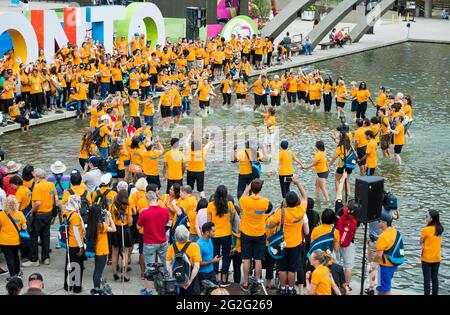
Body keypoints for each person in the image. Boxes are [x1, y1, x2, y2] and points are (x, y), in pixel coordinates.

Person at [266, 176, 307, 295]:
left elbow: (269, 225)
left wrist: (272, 215)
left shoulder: (281, 212)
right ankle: (290, 289)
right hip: (295, 244)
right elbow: (305, 197)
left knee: (282, 268)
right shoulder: (301, 211)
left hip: (282, 244)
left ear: (286, 202)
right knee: (292, 268)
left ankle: (282, 288)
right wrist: (297, 183)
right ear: (296, 202)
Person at [239, 179, 272, 292]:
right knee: (258, 259)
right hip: (259, 233)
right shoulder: (265, 202)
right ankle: (257, 281)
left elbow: (242, 197)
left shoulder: (245, 201)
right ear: (260, 189)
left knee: (246, 259)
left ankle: (245, 282)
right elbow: (267, 210)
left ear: (251, 189)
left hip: (246, 233)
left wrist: (247, 189)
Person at [136, 190, 169, 295]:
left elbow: (138, 226)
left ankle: (149, 290)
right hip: (163, 241)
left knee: (150, 267)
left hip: (149, 242)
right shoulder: (164, 211)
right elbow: (167, 221)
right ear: (156, 198)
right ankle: (168, 285)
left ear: (147, 199)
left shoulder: (144, 212)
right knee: (166, 264)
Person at [22, 168, 57, 267]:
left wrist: (31, 212)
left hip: (39, 214)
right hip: (48, 214)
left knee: (33, 236)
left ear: (37, 177)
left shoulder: (37, 187)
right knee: (45, 236)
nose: (33, 178)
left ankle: (34, 259)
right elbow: (55, 200)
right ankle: (45, 258)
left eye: (34, 177)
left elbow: (37, 202)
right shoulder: (51, 185)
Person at [86, 194, 116, 295]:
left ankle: (96, 288)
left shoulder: (93, 224)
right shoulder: (100, 225)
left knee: (97, 270)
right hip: (102, 251)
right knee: (98, 272)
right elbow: (113, 228)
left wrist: (106, 217)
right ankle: (97, 289)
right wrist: (110, 216)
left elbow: (106, 226)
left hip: (97, 250)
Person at [206, 185, 236, 286]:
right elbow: (232, 217)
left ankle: (215, 279)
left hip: (214, 235)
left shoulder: (210, 205)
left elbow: (208, 222)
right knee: (226, 257)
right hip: (227, 234)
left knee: (215, 256)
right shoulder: (230, 204)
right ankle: (224, 280)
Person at [166, 225, 202, 295]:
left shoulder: (172, 247)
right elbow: (196, 266)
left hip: (177, 277)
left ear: (176, 236)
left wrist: (174, 278)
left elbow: (168, 264)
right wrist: (189, 281)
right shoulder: (194, 246)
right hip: (191, 277)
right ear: (187, 233)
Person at [62, 195, 85, 293]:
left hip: (69, 244)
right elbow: (76, 231)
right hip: (76, 244)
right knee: (77, 266)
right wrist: (81, 246)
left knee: (69, 265)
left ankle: (68, 285)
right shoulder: (75, 215)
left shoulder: (67, 212)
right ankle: (76, 287)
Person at [0, 195, 27, 278]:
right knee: (16, 256)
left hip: (4, 241)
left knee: (9, 258)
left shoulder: (1, 214)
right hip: (16, 240)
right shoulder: (20, 214)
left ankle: (12, 275)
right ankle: (18, 272)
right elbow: (24, 227)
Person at [110, 190, 133, 282]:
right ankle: (124, 274)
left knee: (114, 252)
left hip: (115, 229)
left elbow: (110, 217)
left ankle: (115, 272)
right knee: (125, 253)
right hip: (125, 228)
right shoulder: (128, 205)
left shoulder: (113, 205)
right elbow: (130, 222)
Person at [375, 211, 400, 295]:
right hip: (394, 263)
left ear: (385, 222)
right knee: (381, 288)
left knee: (386, 290)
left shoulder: (382, 236)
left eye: (379, 221)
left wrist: (374, 264)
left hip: (385, 265)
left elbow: (379, 255)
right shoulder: (395, 231)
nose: (378, 222)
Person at [420, 210, 443, 295]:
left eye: (427, 216)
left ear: (431, 219)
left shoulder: (425, 229)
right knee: (434, 278)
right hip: (437, 258)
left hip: (426, 258)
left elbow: (421, 241)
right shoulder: (440, 229)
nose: (425, 217)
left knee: (427, 279)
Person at [196, 222, 221, 289]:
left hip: (211, 271)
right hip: (202, 274)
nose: (215, 232)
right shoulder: (199, 245)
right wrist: (212, 261)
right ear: (207, 232)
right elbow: (199, 263)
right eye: (213, 231)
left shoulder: (210, 239)